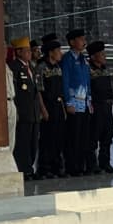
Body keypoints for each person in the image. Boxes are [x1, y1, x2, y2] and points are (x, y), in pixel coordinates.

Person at [10, 37, 42, 179]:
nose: (30, 53)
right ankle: (23, 170)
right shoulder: (14, 67)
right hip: (23, 111)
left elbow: (36, 90)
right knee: (22, 142)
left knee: (33, 142)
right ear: (18, 52)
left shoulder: (31, 67)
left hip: (33, 111)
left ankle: (30, 168)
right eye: (27, 51)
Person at [61, 29, 92, 176]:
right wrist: (68, 102)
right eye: (80, 39)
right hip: (74, 102)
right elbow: (65, 81)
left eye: (84, 39)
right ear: (72, 42)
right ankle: (72, 167)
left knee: (84, 136)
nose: (83, 42)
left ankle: (81, 165)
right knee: (73, 135)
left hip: (84, 102)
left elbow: (87, 80)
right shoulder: (67, 59)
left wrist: (89, 99)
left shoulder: (83, 59)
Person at [87, 41, 113, 175]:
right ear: (93, 56)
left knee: (107, 135)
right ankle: (92, 164)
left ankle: (105, 163)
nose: (104, 56)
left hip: (107, 105)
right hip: (96, 105)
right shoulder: (89, 69)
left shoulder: (105, 69)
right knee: (94, 135)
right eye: (101, 54)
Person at [37, 39, 66, 177]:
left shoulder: (58, 68)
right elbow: (39, 90)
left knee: (58, 137)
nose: (60, 53)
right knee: (47, 137)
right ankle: (45, 167)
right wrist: (43, 109)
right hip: (48, 105)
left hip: (59, 105)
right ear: (50, 53)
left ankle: (57, 166)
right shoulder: (42, 67)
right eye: (58, 51)